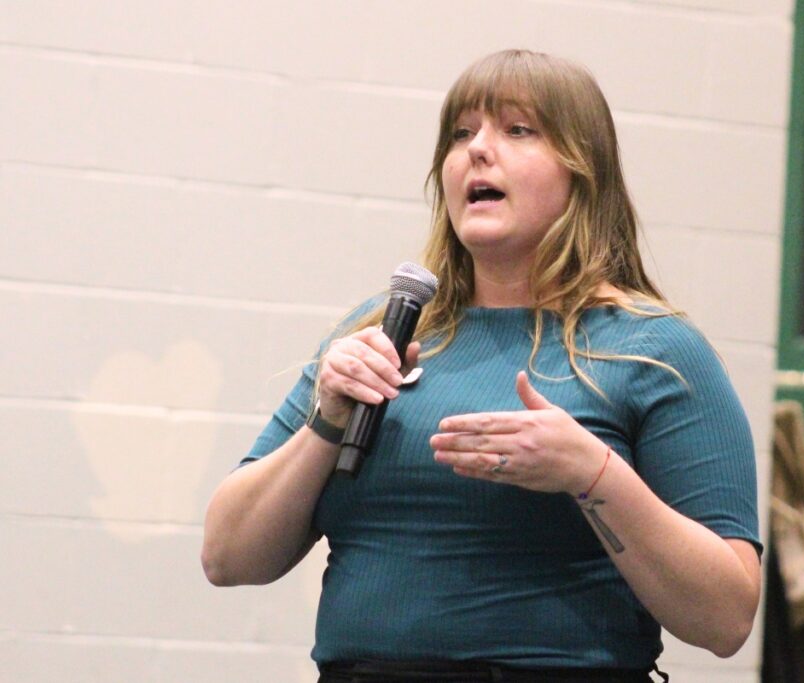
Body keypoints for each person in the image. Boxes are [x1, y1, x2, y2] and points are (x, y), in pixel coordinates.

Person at [202, 49, 761, 683]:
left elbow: (725, 619)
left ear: (583, 172)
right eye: (461, 133)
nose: (478, 150)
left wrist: (591, 472)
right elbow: (227, 557)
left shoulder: (652, 348)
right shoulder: (383, 333)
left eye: (518, 130)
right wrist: (327, 422)